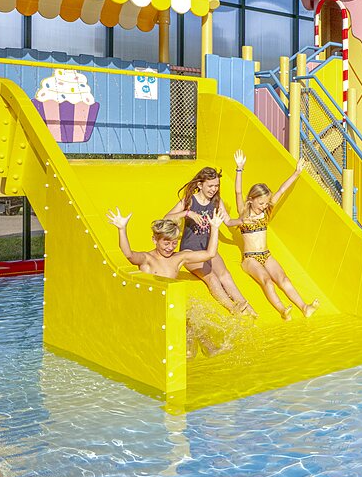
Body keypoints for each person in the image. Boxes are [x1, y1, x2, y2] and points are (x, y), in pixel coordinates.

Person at [106, 209, 233, 358]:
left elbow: (210, 254)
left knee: (192, 318)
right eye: (166, 243)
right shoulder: (147, 259)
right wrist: (122, 229)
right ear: (155, 240)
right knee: (185, 322)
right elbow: (128, 254)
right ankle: (194, 350)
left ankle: (207, 348)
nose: (170, 247)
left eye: (174, 243)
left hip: (171, 307)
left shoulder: (179, 258)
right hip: (151, 308)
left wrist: (215, 228)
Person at [232, 149, 319, 320]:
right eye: (261, 202)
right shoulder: (244, 212)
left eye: (266, 203)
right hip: (250, 259)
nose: (264, 206)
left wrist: (296, 172)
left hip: (266, 255)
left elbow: (281, 190)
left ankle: (304, 307)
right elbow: (238, 192)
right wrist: (239, 169)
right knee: (267, 281)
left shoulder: (266, 212)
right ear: (252, 199)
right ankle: (282, 310)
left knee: (284, 279)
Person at [165, 166, 256, 317]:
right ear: (200, 185)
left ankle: (245, 305)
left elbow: (227, 221)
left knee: (225, 275)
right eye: (210, 186)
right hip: (190, 251)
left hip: (209, 249)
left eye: (216, 186)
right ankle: (231, 308)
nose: (214, 189)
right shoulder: (189, 201)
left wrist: (241, 220)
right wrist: (187, 213)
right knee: (211, 277)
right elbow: (166, 217)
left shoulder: (216, 202)